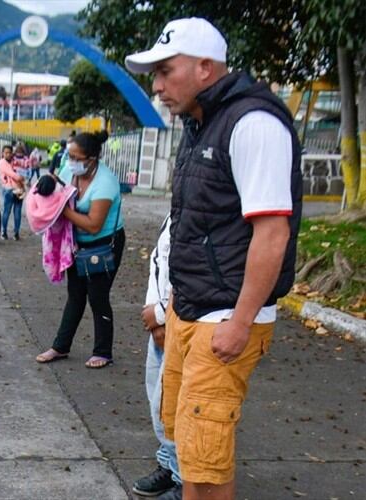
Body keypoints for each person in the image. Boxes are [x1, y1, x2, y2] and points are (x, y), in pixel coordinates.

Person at [125, 17, 302, 499]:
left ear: (205, 67)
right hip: (192, 307)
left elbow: (272, 233)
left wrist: (241, 322)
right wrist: (173, 301)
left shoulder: (253, 123)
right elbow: (194, 222)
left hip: (225, 315)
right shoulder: (201, 124)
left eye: (165, 71)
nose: (157, 86)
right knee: (186, 445)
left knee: (204, 460)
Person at [36, 131, 125, 368]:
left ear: (92, 158)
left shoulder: (105, 183)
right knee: (75, 295)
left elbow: (94, 225)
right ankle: (60, 346)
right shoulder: (69, 170)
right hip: (76, 243)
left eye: (77, 157)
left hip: (104, 244)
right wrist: (48, 185)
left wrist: (62, 212)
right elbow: (58, 187)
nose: (71, 161)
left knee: (97, 296)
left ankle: (103, 352)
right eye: (69, 155)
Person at [134, 214, 182, 499]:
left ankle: (182, 477)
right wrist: (152, 310)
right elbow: (157, 259)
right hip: (159, 319)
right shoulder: (173, 211)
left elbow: (188, 268)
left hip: (179, 319)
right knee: (158, 400)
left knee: (173, 403)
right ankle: (167, 461)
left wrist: (162, 315)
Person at [0, 144, 25, 240]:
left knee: (17, 212)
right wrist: (20, 178)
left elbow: (24, 170)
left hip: (19, 189)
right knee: (7, 211)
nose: (8, 154)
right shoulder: (2, 162)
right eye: (6, 153)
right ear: (2, 153)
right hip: (9, 189)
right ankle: (4, 231)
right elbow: (13, 175)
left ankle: (16, 232)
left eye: (10, 152)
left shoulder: (15, 161)